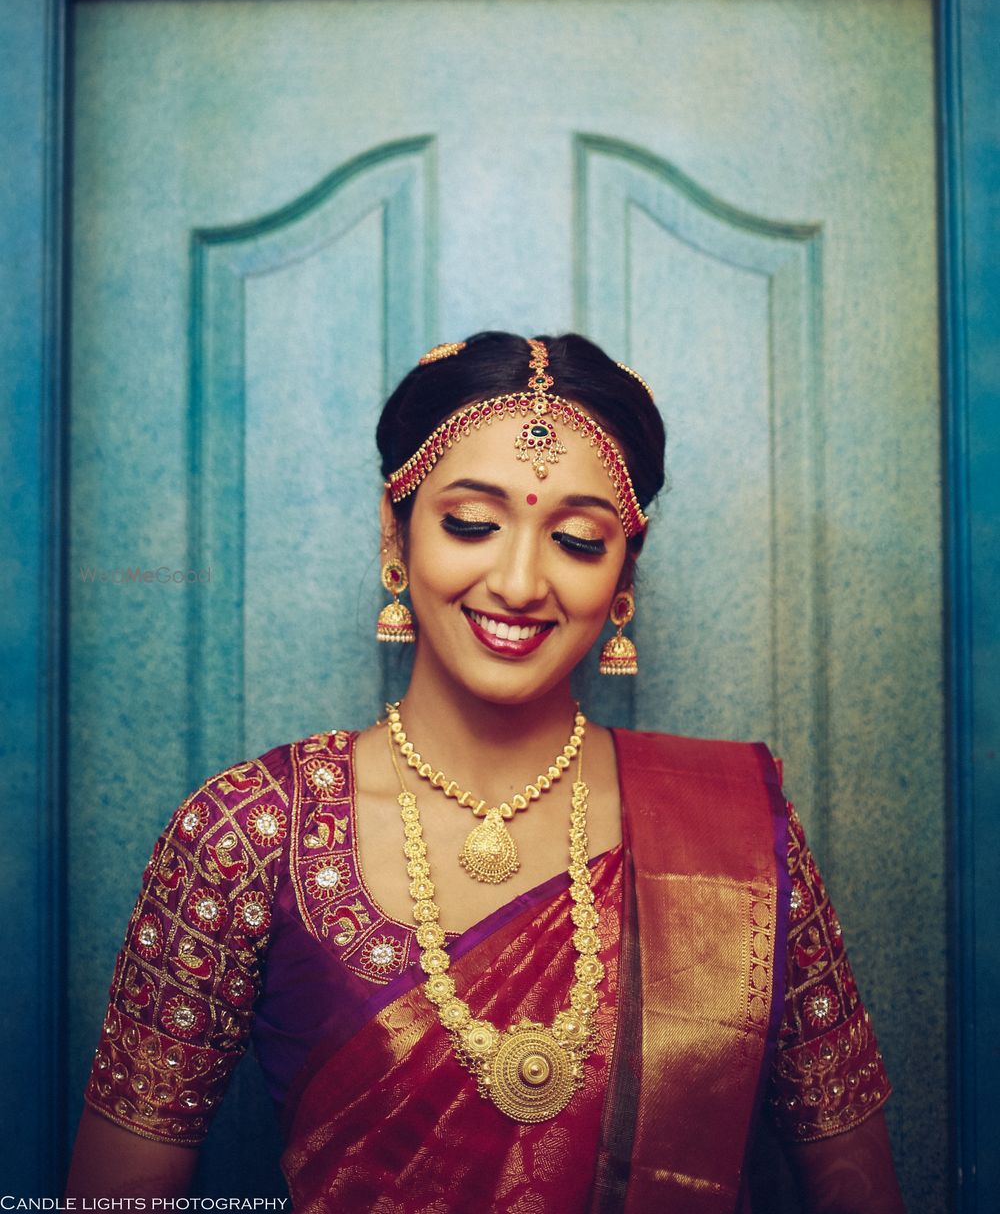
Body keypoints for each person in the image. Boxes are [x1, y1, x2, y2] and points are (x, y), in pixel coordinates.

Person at [67, 332, 905, 1212]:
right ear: (394, 531)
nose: (517, 580)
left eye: (579, 540)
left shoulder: (735, 834)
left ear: (625, 577)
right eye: (471, 523)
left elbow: (859, 1191)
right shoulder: (246, 834)